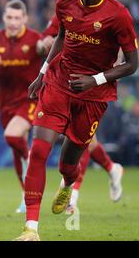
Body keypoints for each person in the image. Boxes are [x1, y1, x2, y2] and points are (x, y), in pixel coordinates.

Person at [15, 0, 139, 241]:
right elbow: (61, 36)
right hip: (58, 84)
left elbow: (132, 64)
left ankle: (67, 183)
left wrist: (94, 79)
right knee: (39, 151)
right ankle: (31, 229)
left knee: (68, 164)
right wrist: (43, 73)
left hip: (94, 96)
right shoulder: (65, 2)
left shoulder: (118, 15)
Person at [39, 14, 124, 214]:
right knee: (83, 141)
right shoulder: (65, 13)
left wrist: (115, 65)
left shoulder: (108, 15)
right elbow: (48, 38)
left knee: (80, 141)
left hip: (91, 89)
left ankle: (72, 197)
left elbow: (121, 48)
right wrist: (43, 43)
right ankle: (112, 168)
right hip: (63, 84)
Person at [0, 0, 45, 213]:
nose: (13, 22)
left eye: (17, 18)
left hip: (30, 100)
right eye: (9, 17)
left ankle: (35, 163)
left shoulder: (35, 39)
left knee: (12, 136)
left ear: (25, 19)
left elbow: (46, 53)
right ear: (3, 18)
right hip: (6, 104)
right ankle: (27, 195)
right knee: (16, 149)